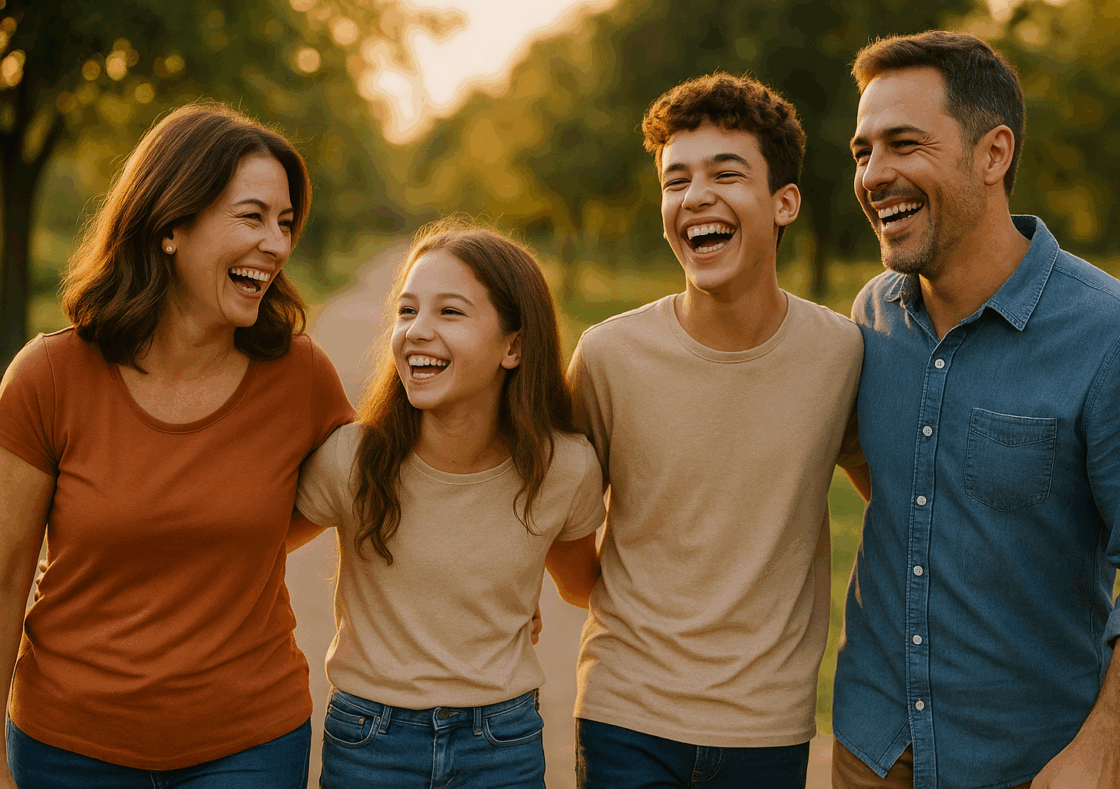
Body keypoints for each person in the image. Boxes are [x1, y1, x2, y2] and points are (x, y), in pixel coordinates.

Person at [833, 30, 1120, 789]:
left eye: (903, 143)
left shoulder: (1118, 339)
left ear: (993, 155)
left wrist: (1106, 745)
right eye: (863, 151)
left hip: (1031, 764)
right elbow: (881, 467)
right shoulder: (871, 316)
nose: (873, 175)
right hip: (869, 748)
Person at [0, 104, 352, 788]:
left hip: (250, 743)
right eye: (252, 217)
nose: (277, 245)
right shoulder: (48, 377)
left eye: (285, 223)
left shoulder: (301, 375)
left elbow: (341, 493)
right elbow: (5, 574)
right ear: (171, 226)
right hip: (67, 745)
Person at [559, 73, 863, 788]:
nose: (695, 196)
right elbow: (562, 526)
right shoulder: (607, 355)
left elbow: (895, 492)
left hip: (767, 724)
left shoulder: (842, 353)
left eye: (727, 173)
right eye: (676, 180)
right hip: (624, 715)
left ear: (784, 202)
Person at [295, 220, 605, 789]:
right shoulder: (353, 460)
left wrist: (500, 592)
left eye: (450, 313)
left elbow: (581, 583)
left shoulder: (565, 467)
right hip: (369, 739)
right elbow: (246, 550)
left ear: (513, 346)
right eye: (407, 311)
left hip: (502, 743)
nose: (416, 331)